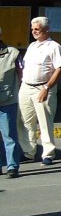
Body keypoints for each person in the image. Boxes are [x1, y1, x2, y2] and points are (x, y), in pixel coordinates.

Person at [19, 16, 61, 166]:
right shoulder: (32, 46)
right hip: (26, 87)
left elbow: (59, 68)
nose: (34, 32)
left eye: (37, 29)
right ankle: (29, 151)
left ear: (46, 29)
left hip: (43, 87)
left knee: (45, 122)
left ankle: (48, 154)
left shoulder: (54, 46)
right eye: (32, 29)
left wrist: (47, 87)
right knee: (25, 121)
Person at [0, 31, 24, 177]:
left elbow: (22, 73)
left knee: (9, 134)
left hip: (7, 100)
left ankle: (12, 166)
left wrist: (17, 91)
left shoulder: (13, 53)